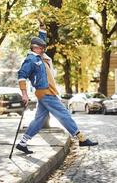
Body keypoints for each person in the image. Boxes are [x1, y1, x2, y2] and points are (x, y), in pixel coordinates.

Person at [16, 20, 98, 154]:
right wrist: (24, 94)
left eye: (44, 48)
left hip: (48, 92)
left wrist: (42, 29)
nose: (44, 50)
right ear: (34, 48)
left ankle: (23, 142)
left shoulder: (40, 56)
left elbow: (41, 39)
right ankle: (81, 138)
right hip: (46, 93)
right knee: (64, 114)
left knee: (39, 119)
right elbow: (21, 76)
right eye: (41, 48)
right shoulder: (31, 60)